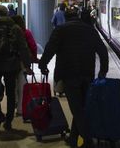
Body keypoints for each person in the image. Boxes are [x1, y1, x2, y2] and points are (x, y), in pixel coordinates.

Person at [39, 8, 109, 148]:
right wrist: (103, 71)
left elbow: (50, 49)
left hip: (69, 75)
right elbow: (103, 51)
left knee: (77, 110)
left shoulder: (61, 30)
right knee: (81, 108)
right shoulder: (90, 30)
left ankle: (88, 141)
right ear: (77, 16)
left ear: (65, 17)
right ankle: (73, 139)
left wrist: (43, 64)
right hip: (87, 75)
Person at [0, 5, 32, 131]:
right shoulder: (15, 28)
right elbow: (23, 48)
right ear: (7, 14)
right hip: (12, 65)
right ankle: (9, 120)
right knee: (11, 93)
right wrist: (27, 65)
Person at [10, 15, 39, 116]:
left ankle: (15, 103)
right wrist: (33, 58)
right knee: (22, 83)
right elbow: (33, 46)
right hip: (22, 61)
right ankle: (20, 108)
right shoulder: (26, 32)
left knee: (12, 83)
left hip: (11, 61)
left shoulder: (9, 32)